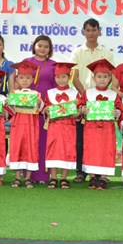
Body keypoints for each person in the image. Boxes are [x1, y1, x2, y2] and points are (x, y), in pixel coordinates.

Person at [70, 18, 114, 183]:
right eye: (88, 30)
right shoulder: (77, 52)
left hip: (102, 100)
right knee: (81, 138)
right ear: (84, 32)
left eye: (94, 30)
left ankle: (101, 172)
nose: (91, 33)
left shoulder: (106, 53)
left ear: (99, 31)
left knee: (101, 140)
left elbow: (109, 76)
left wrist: (98, 94)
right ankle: (81, 172)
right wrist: (87, 96)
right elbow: (74, 77)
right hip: (84, 99)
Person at [79, 59, 123, 191]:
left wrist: (117, 112)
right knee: (91, 150)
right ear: (94, 78)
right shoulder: (88, 93)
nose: (102, 79)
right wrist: (83, 110)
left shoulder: (113, 94)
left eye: (105, 77)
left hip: (107, 129)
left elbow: (121, 110)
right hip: (91, 128)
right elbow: (79, 106)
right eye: (99, 77)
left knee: (106, 150)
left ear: (110, 78)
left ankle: (103, 177)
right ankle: (92, 176)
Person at [43, 62, 80, 190]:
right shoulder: (50, 93)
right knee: (53, 151)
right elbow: (46, 108)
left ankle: (64, 178)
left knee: (67, 151)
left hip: (69, 127)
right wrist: (46, 111)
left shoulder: (74, 93)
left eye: (64, 77)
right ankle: (53, 177)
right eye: (58, 77)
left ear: (69, 77)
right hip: (54, 127)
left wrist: (78, 113)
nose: (60, 80)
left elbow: (78, 110)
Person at [25, 35, 56, 184]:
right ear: (34, 46)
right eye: (40, 45)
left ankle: (43, 176)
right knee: (30, 141)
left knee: (44, 141)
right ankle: (28, 175)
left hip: (45, 109)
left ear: (50, 49)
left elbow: (57, 87)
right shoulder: (26, 62)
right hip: (28, 109)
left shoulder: (53, 65)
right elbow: (20, 83)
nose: (42, 49)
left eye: (46, 47)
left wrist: (50, 106)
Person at [8, 61, 42, 189]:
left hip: (31, 127)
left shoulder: (35, 95)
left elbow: (41, 109)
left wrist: (39, 103)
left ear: (32, 79)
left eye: (28, 78)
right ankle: (17, 177)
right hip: (17, 126)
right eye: (21, 77)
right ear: (17, 79)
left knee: (30, 149)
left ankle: (28, 178)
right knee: (17, 148)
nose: (24, 80)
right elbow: (11, 112)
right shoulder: (14, 94)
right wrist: (9, 103)